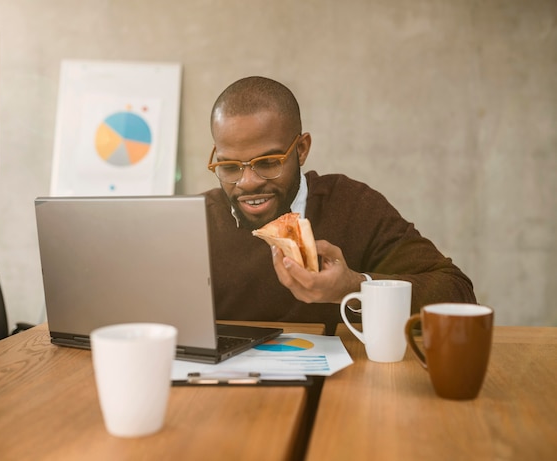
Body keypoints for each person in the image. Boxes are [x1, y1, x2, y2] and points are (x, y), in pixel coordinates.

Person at [202, 76, 476, 333]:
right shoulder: (198, 222)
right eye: (230, 167)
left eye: (268, 163)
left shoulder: (353, 207)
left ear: (301, 150)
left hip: (339, 382)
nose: (247, 183)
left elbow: (458, 295)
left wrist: (353, 288)